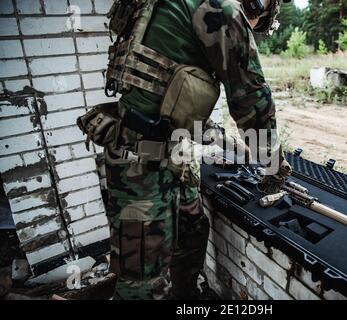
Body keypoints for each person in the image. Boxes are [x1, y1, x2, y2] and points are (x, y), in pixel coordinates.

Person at [100, 0, 291, 300]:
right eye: (255, 25)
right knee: (142, 283)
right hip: (139, 166)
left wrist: (223, 141)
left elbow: (168, 91)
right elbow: (252, 102)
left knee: (191, 237)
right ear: (258, 7)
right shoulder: (220, 8)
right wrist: (274, 167)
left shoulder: (177, 8)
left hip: (175, 155)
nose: (250, 30)